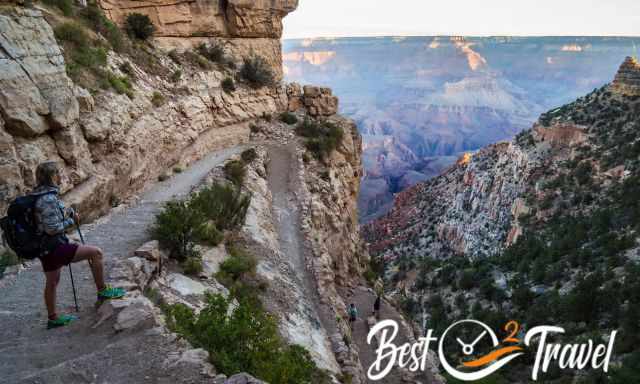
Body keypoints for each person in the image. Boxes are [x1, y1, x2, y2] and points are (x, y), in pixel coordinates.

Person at [33, 161, 125, 329]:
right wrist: (71, 220)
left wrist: (66, 213)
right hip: (54, 247)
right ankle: (103, 290)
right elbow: (52, 229)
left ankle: (53, 319)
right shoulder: (47, 199)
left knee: (52, 281)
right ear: (52, 176)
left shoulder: (40, 196)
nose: (61, 176)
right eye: (58, 173)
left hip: (44, 248)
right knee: (95, 253)